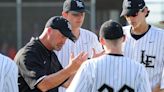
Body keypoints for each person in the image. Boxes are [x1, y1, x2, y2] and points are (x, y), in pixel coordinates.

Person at [66, 20, 151, 92]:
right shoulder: (138, 68)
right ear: (124, 38)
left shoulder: (90, 66)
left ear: (101, 40)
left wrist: (72, 70)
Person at [14, 16, 88, 92]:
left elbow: (68, 83)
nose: (64, 41)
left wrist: (83, 66)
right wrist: (70, 69)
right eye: (62, 36)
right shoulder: (28, 53)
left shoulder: (51, 54)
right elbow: (43, 85)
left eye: (66, 38)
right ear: (49, 31)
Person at [56, 0, 104, 91]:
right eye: (75, 14)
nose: (80, 17)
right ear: (64, 14)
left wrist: (95, 62)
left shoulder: (91, 37)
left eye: (82, 14)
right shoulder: (56, 38)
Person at [120, 0, 164, 91]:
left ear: (145, 11)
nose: (131, 19)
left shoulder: (161, 37)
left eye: (134, 14)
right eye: (127, 15)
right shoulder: (118, 34)